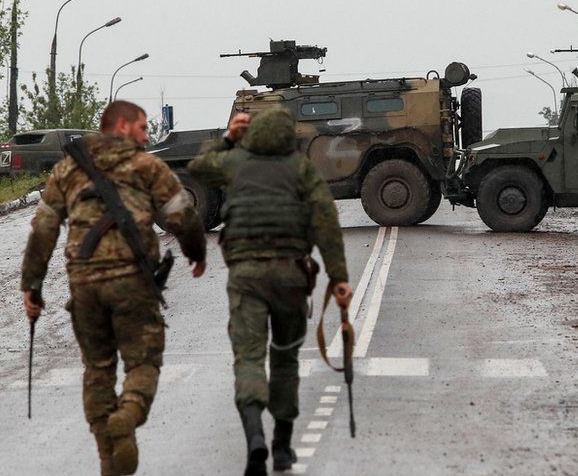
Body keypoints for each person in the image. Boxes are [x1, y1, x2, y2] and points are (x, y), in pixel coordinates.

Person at [20, 100, 207, 476]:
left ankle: (110, 460)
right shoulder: (148, 166)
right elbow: (182, 217)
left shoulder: (66, 169)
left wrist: (32, 286)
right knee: (143, 363)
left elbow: (43, 229)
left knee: (97, 369)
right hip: (133, 282)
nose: (146, 135)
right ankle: (128, 414)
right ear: (121, 126)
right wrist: (196, 252)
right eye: (141, 127)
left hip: (85, 285)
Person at [188, 108, 353, 475]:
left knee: (248, 358)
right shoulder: (302, 168)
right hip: (292, 277)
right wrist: (339, 279)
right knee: (285, 358)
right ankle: (281, 447)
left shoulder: (235, 162)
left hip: (246, 277)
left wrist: (229, 138)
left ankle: (254, 441)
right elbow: (326, 225)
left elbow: (197, 168)